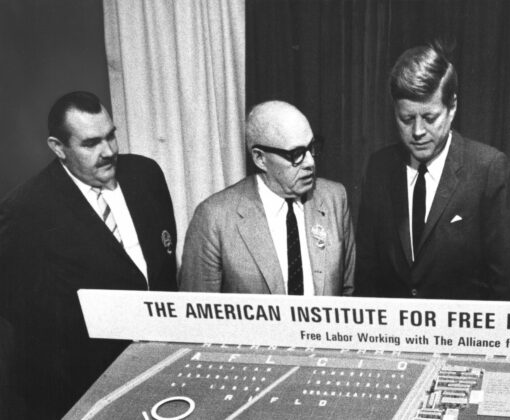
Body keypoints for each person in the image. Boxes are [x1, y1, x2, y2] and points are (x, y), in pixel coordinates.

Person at [0, 91, 178, 418]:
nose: (108, 151)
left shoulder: (146, 175)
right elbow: (27, 320)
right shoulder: (25, 211)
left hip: (160, 372)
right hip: (85, 388)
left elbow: (165, 269)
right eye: (91, 143)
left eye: (111, 136)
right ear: (58, 148)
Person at [354, 41, 510, 300]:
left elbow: (508, 285)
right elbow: (367, 273)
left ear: (452, 106)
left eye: (430, 118)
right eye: (406, 119)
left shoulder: (488, 169)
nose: (418, 132)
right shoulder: (379, 168)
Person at [180, 101, 355, 296]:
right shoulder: (214, 218)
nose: (310, 162)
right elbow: (196, 315)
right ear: (260, 158)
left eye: (312, 147)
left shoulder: (334, 199)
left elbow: (349, 295)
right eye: (296, 154)